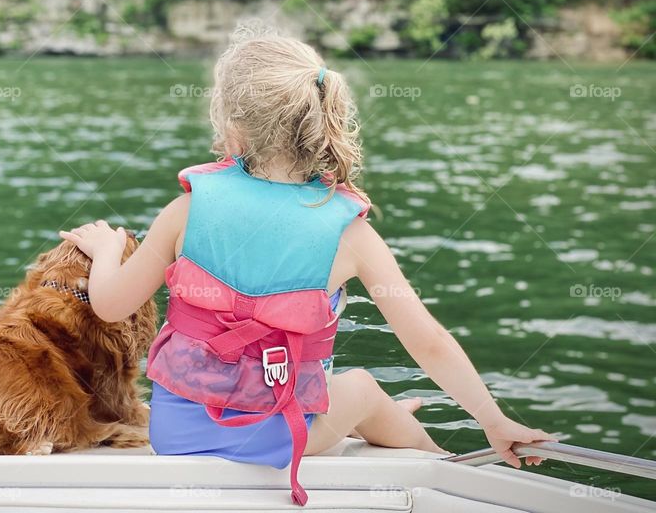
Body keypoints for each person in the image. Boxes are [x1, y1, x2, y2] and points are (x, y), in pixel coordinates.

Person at [60, 31, 553, 506]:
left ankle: (363, 420)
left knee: (348, 401)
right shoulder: (350, 234)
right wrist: (492, 419)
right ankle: (439, 463)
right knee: (362, 390)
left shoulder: (187, 209)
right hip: (274, 437)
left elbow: (110, 305)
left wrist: (109, 249)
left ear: (233, 130)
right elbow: (429, 343)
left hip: (177, 430)